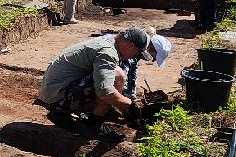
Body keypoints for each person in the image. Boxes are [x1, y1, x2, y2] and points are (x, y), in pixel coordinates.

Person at [36, 26, 165, 129]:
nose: (134, 57)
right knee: (115, 78)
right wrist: (130, 106)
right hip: (56, 97)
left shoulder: (108, 43)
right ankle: (88, 123)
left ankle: (90, 116)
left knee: (115, 76)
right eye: (137, 53)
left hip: (55, 89)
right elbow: (105, 91)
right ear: (130, 46)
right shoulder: (108, 52)